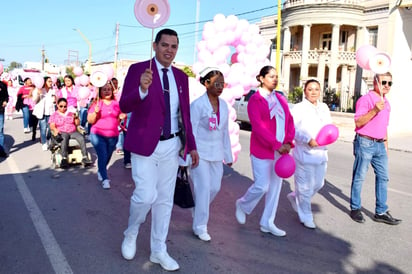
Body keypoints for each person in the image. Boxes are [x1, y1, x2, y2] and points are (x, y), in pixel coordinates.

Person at [119, 28, 199, 271]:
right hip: (145, 145)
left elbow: (184, 114)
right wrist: (142, 89)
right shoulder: (139, 70)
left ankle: (158, 249)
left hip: (172, 146)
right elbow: (124, 104)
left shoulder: (181, 77)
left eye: (174, 46)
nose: (169, 50)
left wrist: (191, 145)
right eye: (165, 45)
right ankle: (131, 232)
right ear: (155, 46)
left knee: (164, 201)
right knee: (145, 195)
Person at [235, 65, 295, 237]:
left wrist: (288, 142)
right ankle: (243, 204)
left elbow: (289, 121)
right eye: (271, 76)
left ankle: (267, 222)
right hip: (262, 150)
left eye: (276, 76)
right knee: (262, 186)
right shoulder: (255, 100)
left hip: (281, 151)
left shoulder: (280, 99)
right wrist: (276, 144)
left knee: (275, 189)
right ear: (261, 78)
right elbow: (259, 128)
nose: (275, 79)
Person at [349, 72, 401, 225]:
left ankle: (381, 211)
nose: (386, 86)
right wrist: (374, 110)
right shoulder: (365, 100)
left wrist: (386, 144)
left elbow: (383, 126)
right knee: (360, 176)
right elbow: (358, 123)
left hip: (379, 144)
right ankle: (355, 208)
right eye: (384, 82)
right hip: (365, 142)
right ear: (375, 82)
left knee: (383, 177)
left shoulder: (387, 103)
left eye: (389, 83)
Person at [190, 67, 233, 242]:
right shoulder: (197, 105)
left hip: (216, 153)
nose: (220, 87)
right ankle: (200, 226)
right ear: (206, 83)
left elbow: (225, 132)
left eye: (223, 83)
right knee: (203, 188)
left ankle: (198, 209)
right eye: (217, 83)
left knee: (215, 187)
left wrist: (228, 155)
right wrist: (190, 152)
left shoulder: (224, 105)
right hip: (199, 153)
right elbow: (190, 129)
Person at [287, 79, 332, 229]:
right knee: (305, 188)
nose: (313, 92)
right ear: (305, 91)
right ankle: (306, 216)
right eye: (310, 89)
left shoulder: (324, 107)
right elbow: (292, 129)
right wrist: (307, 139)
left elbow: (329, 126)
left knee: (319, 184)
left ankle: (295, 197)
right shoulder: (299, 108)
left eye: (316, 89)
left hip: (320, 153)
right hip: (304, 153)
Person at [87, 81, 125, 189]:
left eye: (109, 89)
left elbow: (118, 119)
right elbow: (90, 120)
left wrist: (121, 117)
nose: (107, 91)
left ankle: (101, 170)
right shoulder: (96, 103)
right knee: (103, 155)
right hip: (97, 134)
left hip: (113, 135)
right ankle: (105, 179)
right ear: (100, 91)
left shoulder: (116, 103)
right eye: (104, 89)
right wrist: (95, 112)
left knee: (107, 156)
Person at [49, 98, 92, 169]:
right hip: (62, 131)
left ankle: (85, 157)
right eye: (61, 106)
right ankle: (64, 158)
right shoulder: (54, 115)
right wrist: (55, 130)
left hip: (72, 131)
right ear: (57, 105)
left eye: (65, 106)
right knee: (64, 138)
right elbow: (52, 126)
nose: (63, 108)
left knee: (81, 137)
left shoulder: (70, 113)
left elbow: (77, 124)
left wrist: (76, 118)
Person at [32, 76, 56, 151]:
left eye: (51, 81)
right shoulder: (38, 90)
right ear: (44, 82)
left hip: (51, 112)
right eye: (49, 81)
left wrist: (55, 100)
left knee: (50, 129)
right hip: (41, 112)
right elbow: (34, 101)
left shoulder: (53, 90)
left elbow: (55, 101)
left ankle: (48, 139)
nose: (51, 83)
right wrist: (38, 94)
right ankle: (44, 143)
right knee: (43, 129)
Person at [0, 78, 9, 158]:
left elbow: (6, 96)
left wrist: (5, 101)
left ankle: (1, 151)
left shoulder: (3, 85)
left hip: (0, 110)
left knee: (0, 131)